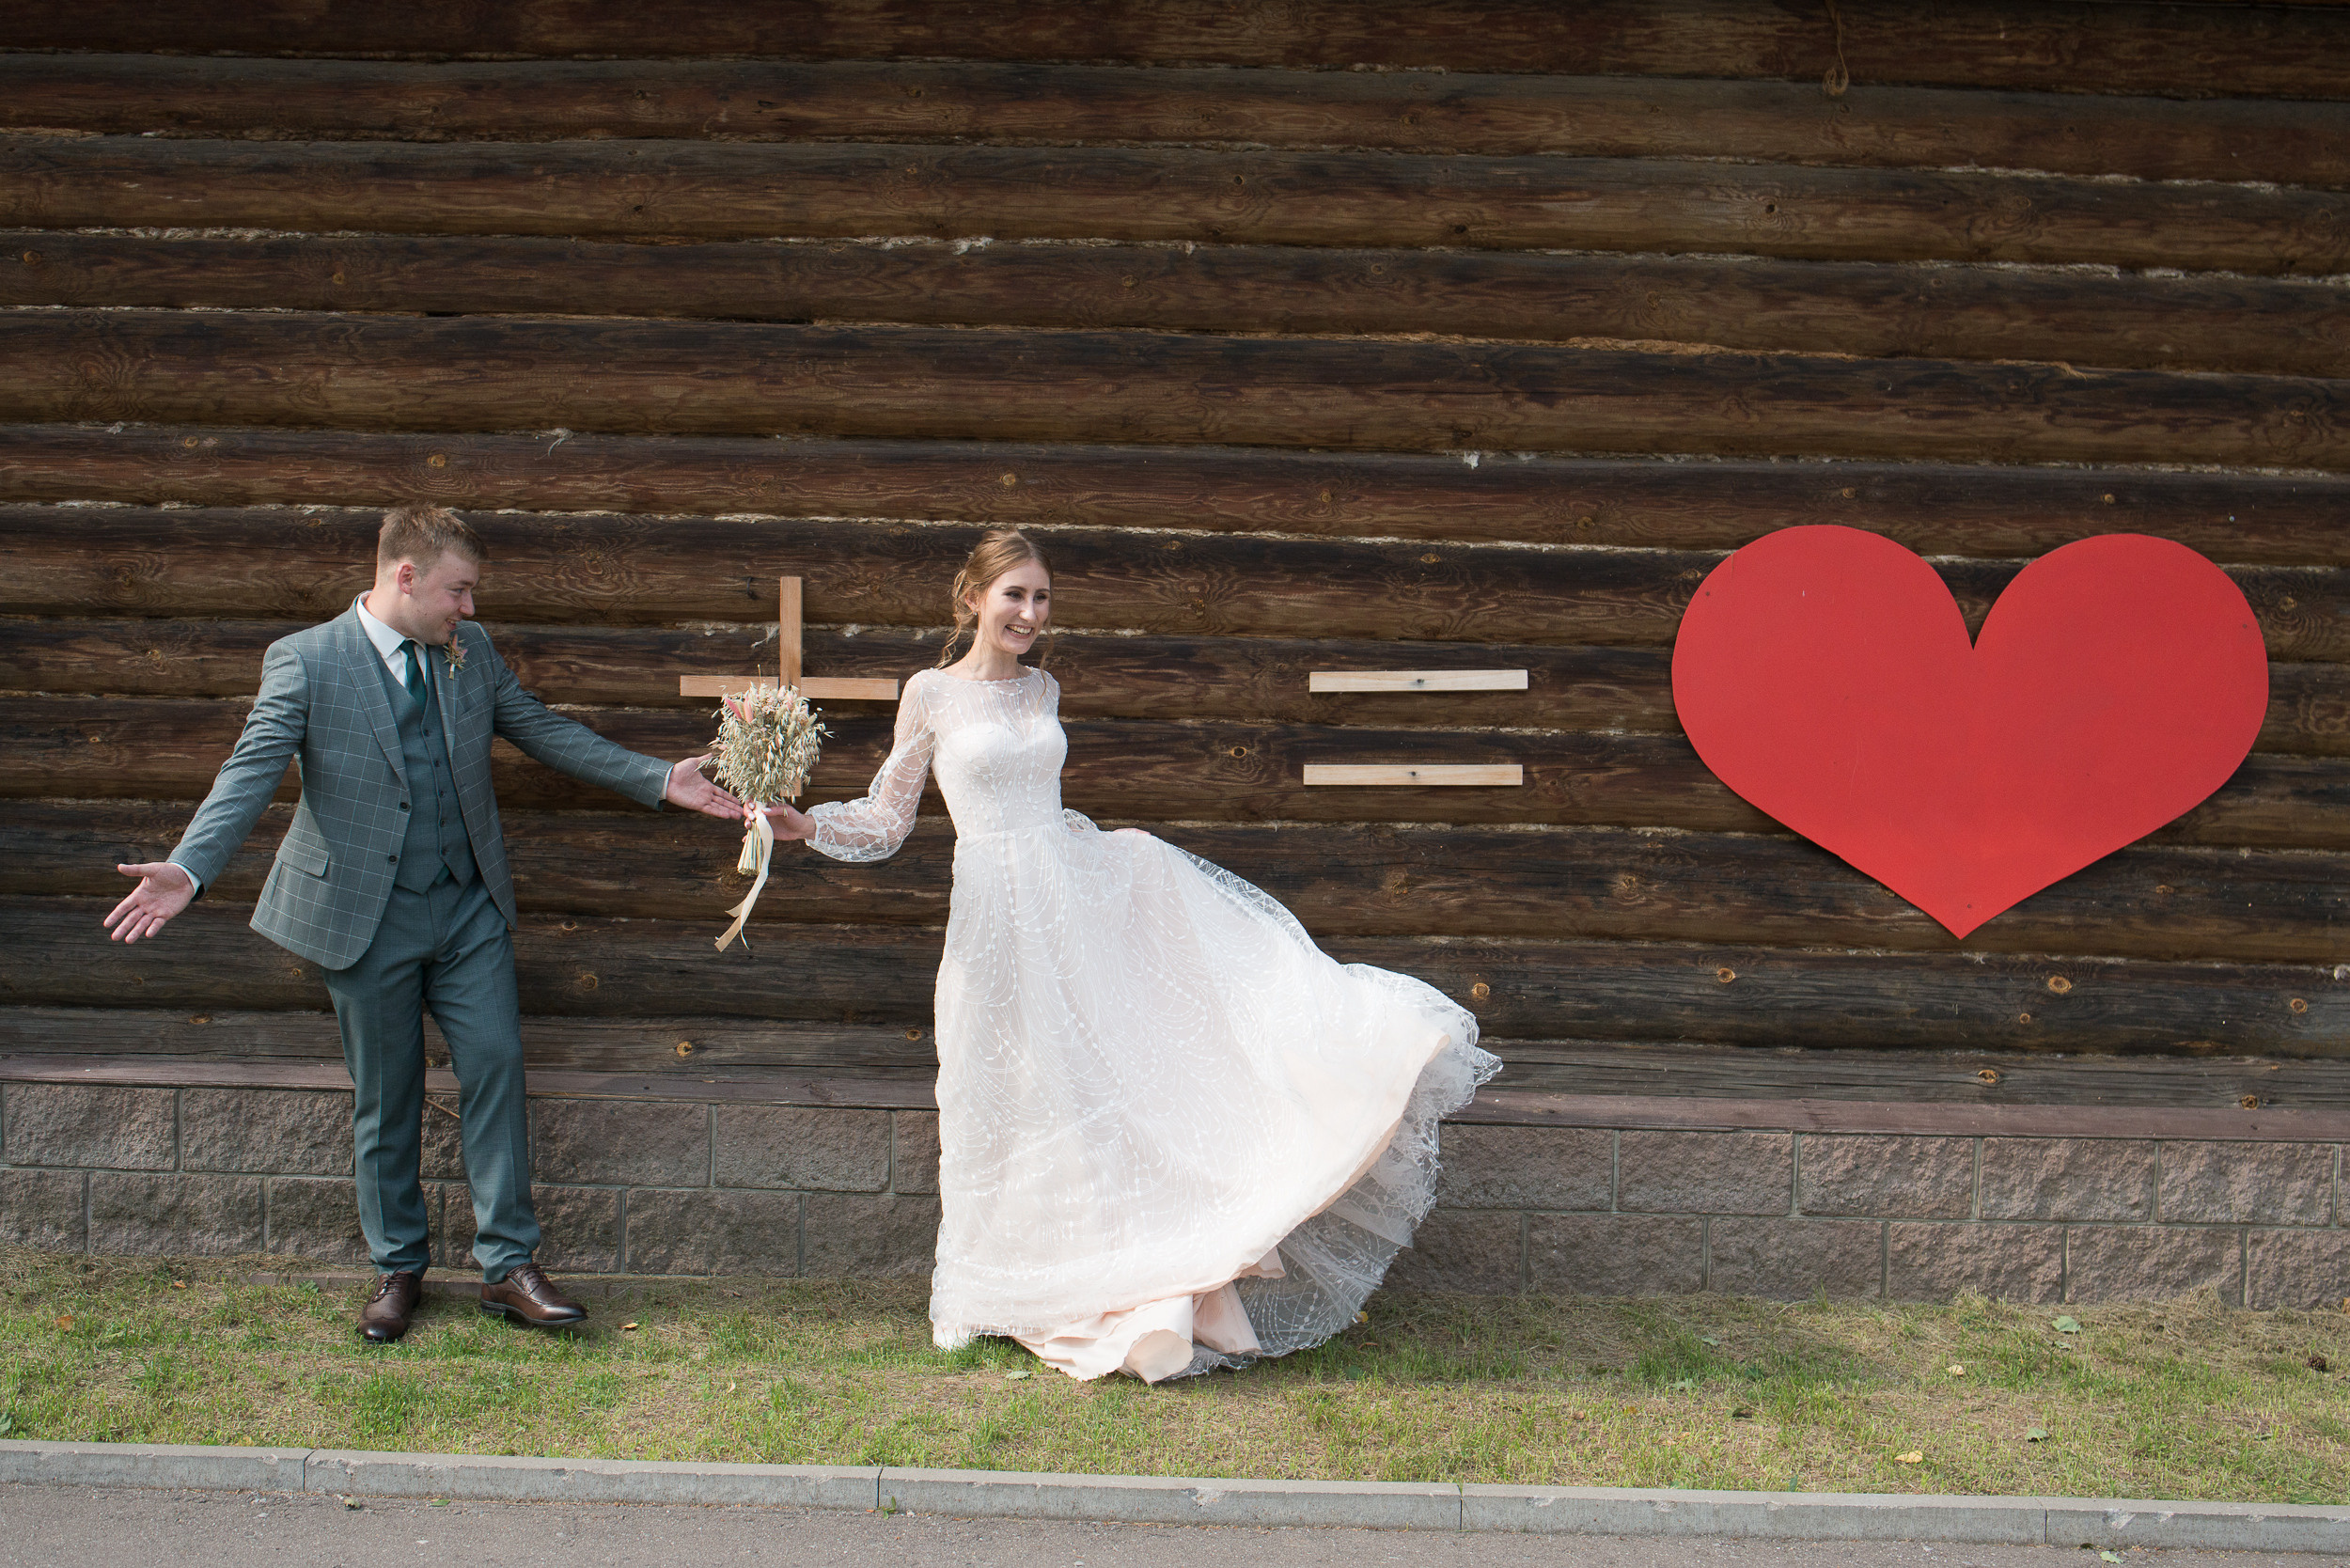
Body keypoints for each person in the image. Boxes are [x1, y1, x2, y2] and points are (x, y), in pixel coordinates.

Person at [763, 529, 1497, 1382]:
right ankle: (980, 1292)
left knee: (1089, 1084)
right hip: (992, 916)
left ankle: (1107, 1266)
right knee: (994, 1089)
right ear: (972, 599)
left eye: (1041, 597)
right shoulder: (930, 694)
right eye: (1014, 595)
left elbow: (1043, 805)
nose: (1030, 613)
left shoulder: (1043, 688)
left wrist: (1114, 853)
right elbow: (890, 819)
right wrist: (808, 824)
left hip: (1066, 906)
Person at [102, 506, 740, 1342]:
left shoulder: (468, 652)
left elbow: (539, 727)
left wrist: (658, 778)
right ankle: (398, 1267)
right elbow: (249, 770)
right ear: (405, 577)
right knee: (387, 1096)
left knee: (497, 1066)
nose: (469, 608)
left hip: (468, 907)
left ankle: (508, 1267)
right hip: (364, 916)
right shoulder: (306, 659)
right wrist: (189, 869)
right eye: (458, 590)